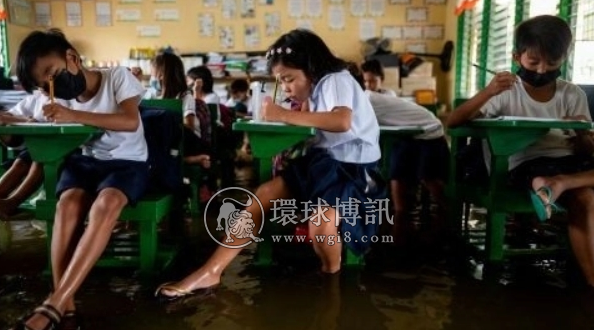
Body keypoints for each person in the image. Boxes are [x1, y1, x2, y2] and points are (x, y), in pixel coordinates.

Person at [155, 29, 385, 300]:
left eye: (289, 79)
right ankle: (211, 270)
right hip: (325, 163)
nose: (286, 86)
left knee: (320, 226)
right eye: (281, 81)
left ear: (311, 67)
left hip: (353, 169)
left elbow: (342, 121)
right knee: (261, 196)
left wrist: (283, 114)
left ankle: (330, 276)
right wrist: (296, 109)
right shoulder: (320, 85)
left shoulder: (336, 79)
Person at [11, 30, 149, 330]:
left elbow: (129, 121)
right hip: (86, 163)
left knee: (106, 204)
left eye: (52, 74)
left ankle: (55, 302)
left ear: (72, 57)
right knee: (68, 203)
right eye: (42, 84)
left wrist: (73, 115)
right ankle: (66, 304)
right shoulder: (60, 99)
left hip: (128, 164)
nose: (51, 86)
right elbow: (25, 119)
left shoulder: (117, 78)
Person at [446, 15, 594, 286]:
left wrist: (582, 132)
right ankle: (552, 186)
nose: (541, 70)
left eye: (552, 63)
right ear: (517, 57)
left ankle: (558, 185)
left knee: (584, 198)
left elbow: (585, 147)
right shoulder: (505, 91)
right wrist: (488, 92)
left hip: (566, 161)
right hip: (521, 162)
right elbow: (453, 121)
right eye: (534, 62)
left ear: (565, 58)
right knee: (580, 196)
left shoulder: (572, 94)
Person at [348, 62, 449, 242]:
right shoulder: (362, 98)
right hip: (408, 136)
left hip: (429, 131)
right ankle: (400, 215)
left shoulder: (366, 99)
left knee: (429, 178)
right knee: (397, 170)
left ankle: (448, 214)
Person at [0, 90, 69, 217]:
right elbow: (9, 115)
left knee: (41, 159)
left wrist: (26, 120)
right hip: (42, 146)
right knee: (20, 162)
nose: (41, 88)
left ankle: (12, 202)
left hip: (72, 147)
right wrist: (23, 119)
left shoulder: (70, 97)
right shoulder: (37, 98)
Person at [146, 52, 211, 168]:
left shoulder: (185, 96)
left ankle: (188, 159)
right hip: (168, 142)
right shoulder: (153, 96)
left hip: (188, 142)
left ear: (163, 75)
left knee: (170, 129)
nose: (151, 77)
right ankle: (187, 160)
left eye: (153, 73)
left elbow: (189, 126)